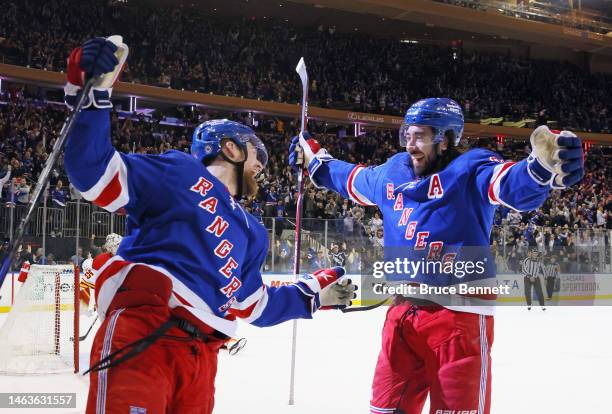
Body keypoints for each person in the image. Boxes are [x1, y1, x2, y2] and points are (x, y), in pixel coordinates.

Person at [62, 36, 355, 414]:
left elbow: (255, 306)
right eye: (256, 153)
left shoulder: (253, 231)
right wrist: (90, 95)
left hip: (203, 355)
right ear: (230, 148)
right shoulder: (181, 171)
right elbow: (95, 174)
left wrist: (312, 296)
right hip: (148, 330)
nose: (263, 166)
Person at [290, 97, 583, 413]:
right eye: (407, 135)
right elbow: (348, 178)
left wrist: (540, 169)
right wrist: (314, 159)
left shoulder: (471, 170)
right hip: (401, 315)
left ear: (445, 139)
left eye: (420, 137)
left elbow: (510, 185)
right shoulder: (392, 172)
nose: (411, 145)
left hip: (458, 321)